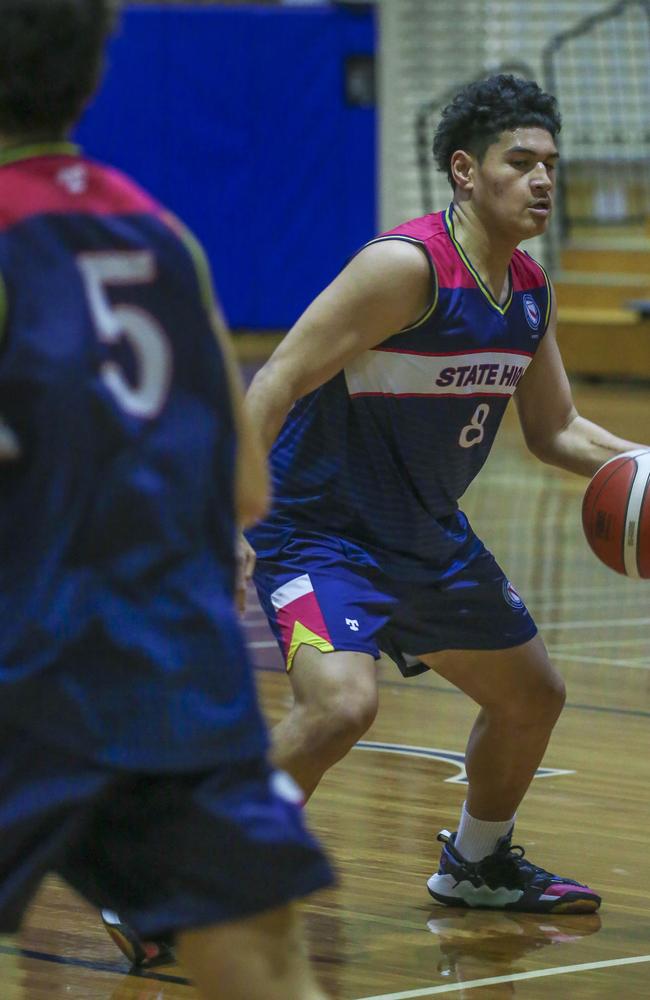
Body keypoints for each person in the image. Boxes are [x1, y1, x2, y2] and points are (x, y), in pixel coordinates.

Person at [243, 73, 648, 913]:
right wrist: (231, 514)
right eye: (521, 161)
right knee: (339, 709)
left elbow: (557, 430)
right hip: (319, 535)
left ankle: (477, 862)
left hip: (426, 538)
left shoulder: (529, 293)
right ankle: (191, 881)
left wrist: (643, 460)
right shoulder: (404, 268)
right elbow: (275, 379)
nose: (542, 180)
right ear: (465, 171)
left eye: (550, 165)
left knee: (531, 696)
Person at [0, 2, 333, 997]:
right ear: (92, 73)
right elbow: (244, 486)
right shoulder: (164, 238)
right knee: (265, 966)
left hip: (27, 668)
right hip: (176, 678)